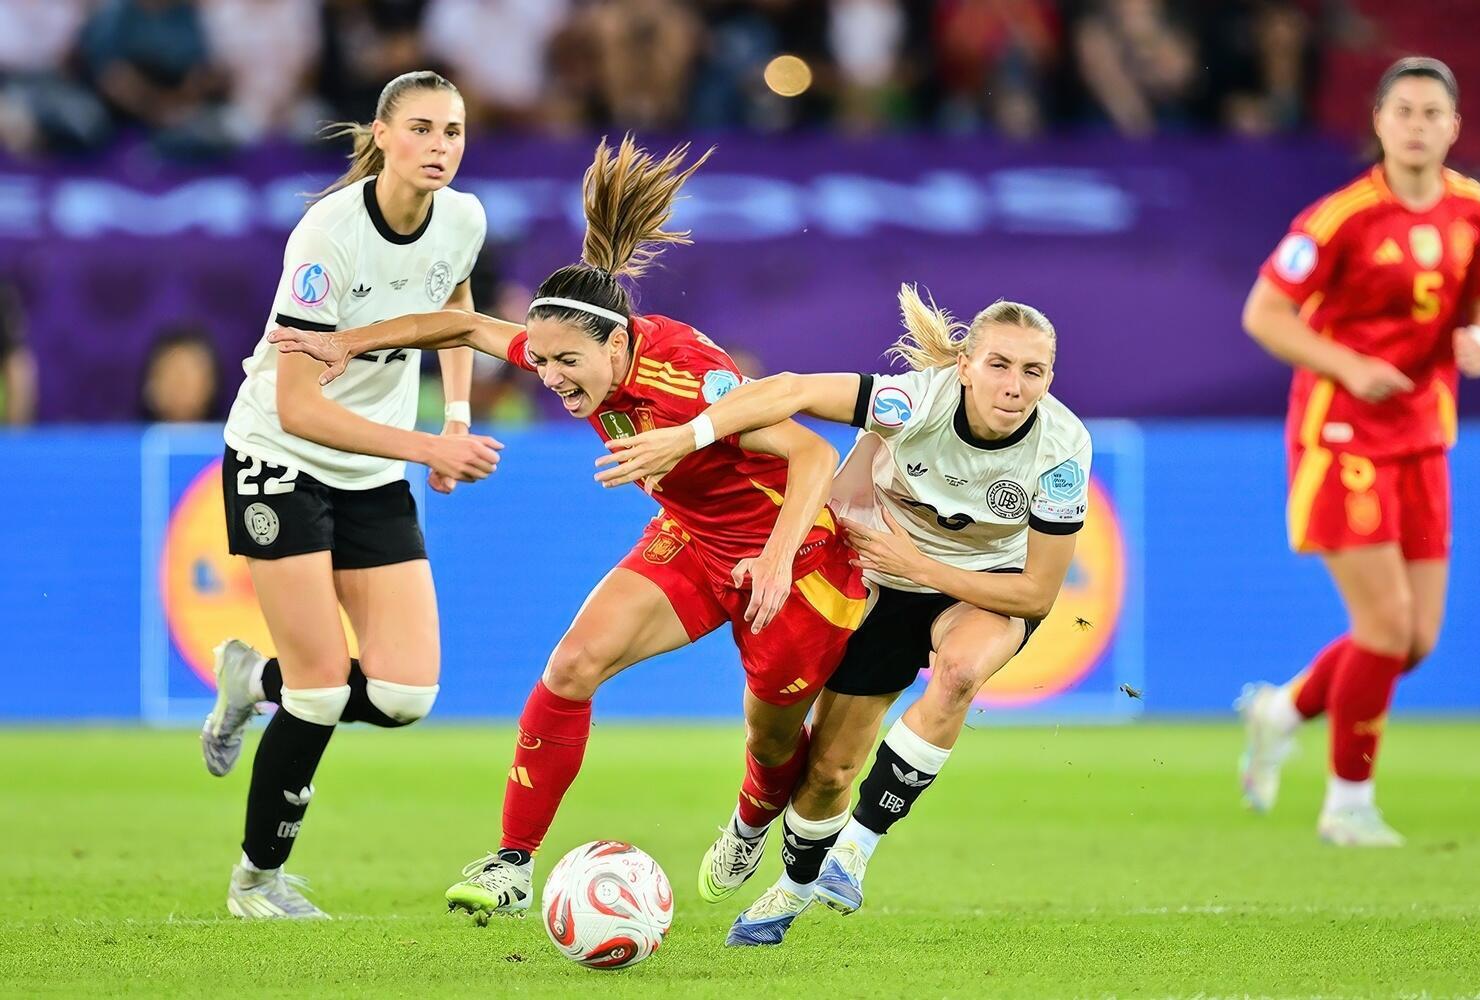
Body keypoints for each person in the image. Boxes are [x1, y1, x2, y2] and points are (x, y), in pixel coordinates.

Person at [268, 136, 869, 927]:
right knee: (572, 665)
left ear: (616, 344)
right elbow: (465, 326)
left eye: (564, 363)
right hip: (693, 541)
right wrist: (348, 341)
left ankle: (752, 821)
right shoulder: (573, 341)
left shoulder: (691, 379)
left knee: (771, 743)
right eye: (542, 360)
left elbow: (811, 453)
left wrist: (778, 559)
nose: (548, 377)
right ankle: (511, 863)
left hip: (797, 563)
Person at [597, 284, 1089, 945]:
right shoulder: (915, 402)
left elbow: (1035, 596)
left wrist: (924, 568)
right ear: (965, 367)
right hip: (881, 576)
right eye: (998, 364)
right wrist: (689, 436)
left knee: (960, 673)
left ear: (1049, 378)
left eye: (1033, 371)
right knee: (827, 770)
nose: (1014, 386)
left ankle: (854, 850)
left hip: (984, 584)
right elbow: (790, 389)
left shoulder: (1062, 447)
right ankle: (784, 867)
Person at [201, 70, 499, 919]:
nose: (438, 146)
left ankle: (249, 680)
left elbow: (454, 304)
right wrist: (428, 446)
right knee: (322, 690)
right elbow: (298, 404)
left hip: (369, 471)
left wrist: (457, 411)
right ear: (381, 135)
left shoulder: (464, 219)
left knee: (405, 697)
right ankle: (256, 881)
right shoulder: (327, 237)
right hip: (280, 457)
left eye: (452, 131)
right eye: (421, 129)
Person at [1236, 57, 1480, 846]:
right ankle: (1346, 806)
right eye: (1402, 111)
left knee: (1413, 641)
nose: (1416, 126)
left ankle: (1281, 710)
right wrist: (1347, 366)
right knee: (1383, 628)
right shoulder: (1338, 219)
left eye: (1431, 113)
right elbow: (1263, 313)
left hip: (1422, 435)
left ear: (1453, 126)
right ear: (1378, 123)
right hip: (1341, 434)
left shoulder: (1471, 206)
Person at [138, 324, 223, 423]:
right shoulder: (129, 431)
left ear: (211, 383)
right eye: (170, 373)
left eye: (188, 373)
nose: (179, 384)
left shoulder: (231, 431)